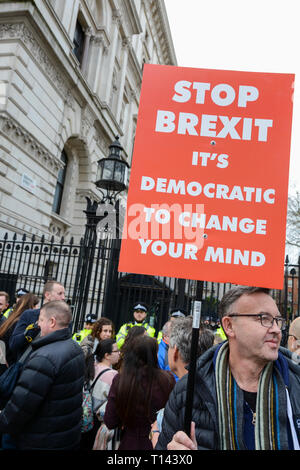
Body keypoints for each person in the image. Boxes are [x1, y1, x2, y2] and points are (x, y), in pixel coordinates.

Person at [156, 285, 300, 451]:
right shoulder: (189, 389)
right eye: (264, 318)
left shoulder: (295, 382)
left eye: (277, 321)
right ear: (229, 325)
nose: (276, 329)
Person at [0, 300, 85, 450]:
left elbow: (21, 406)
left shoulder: (44, 357)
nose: (38, 324)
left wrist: (3, 422)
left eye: (40, 320)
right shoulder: (74, 348)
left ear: (52, 322)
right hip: (63, 437)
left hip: (40, 439)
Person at [151, 316, 214, 447]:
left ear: (175, 352)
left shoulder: (180, 393)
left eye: (169, 347)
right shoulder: (218, 383)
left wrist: (156, 434)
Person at [104, 335, 175, 450]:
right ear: (154, 355)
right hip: (157, 442)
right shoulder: (167, 380)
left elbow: (110, 421)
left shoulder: (121, 380)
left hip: (129, 442)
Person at [9, 280, 65, 359]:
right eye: (60, 293)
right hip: (27, 365)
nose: (63, 298)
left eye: (64, 294)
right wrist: (31, 331)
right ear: (47, 295)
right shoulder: (29, 314)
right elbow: (13, 344)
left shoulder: (64, 320)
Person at [80, 338, 119, 449]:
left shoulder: (92, 367)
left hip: (86, 419)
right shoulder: (113, 375)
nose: (119, 353)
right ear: (107, 355)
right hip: (100, 423)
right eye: (116, 351)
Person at [0, 293, 40, 366]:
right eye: (36, 305)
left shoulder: (12, 318)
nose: (38, 309)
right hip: (7, 363)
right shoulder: (19, 322)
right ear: (31, 306)